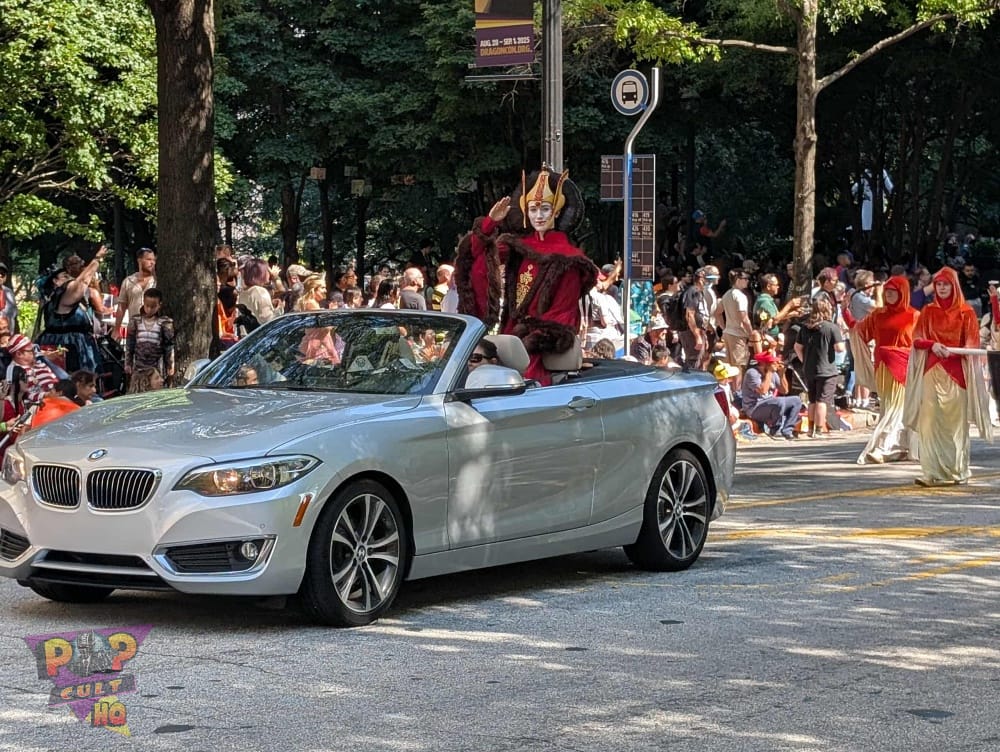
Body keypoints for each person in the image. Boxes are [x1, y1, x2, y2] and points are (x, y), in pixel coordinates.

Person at [455, 167, 598, 385]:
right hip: (508, 341)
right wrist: (490, 223)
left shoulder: (570, 260)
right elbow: (477, 257)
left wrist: (526, 342)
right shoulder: (517, 246)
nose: (538, 216)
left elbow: (561, 314)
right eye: (533, 209)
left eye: (545, 209)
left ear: (556, 212)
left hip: (537, 348)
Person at [903, 267, 992, 486]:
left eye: (946, 284)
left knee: (955, 424)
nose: (942, 288)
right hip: (932, 371)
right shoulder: (928, 311)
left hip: (956, 374)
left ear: (954, 286)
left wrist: (952, 351)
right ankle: (931, 472)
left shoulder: (966, 312)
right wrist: (932, 345)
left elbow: (971, 345)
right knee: (929, 421)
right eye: (939, 284)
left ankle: (958, 470)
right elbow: (917, 339)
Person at [847, 275, 919, 464]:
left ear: (903, 293)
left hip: (903, 368)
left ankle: (883, 447)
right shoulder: (878, 315)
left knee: (895, 408)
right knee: (889, 407)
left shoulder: (914, 316)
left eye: (893, 291)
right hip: (882, 368)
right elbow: (860, 331)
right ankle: (900, 447)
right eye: (887, 291)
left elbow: (922, 342)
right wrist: (846, 313)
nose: (888, 294)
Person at [37, 246, 107, 373]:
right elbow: (82, 282)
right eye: (64, 276)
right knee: (75, 376)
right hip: (69, 345)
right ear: (55, 281)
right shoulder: (63, 296)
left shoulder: (56, 297)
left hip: (68, 342)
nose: (69, 278)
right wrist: (97, 259)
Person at [795, 296, 845, 438]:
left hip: (809, 369)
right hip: (827, 370)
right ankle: (818, 430)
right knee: (822, 401)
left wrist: (804, 360)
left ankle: (810, 429)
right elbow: (840, 348)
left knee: (812, 400)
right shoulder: (831, 328)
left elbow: (797, 347)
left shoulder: (804, 327)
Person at [741, 352, 802, 440]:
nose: (776, 364)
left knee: (796, 400)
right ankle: (775, 428)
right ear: (764, 363)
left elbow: (785, 391)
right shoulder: (752, 373)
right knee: (779, 401)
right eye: (773, 362)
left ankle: (787, 430)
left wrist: (781, 375)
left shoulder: (773, 374)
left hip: (770, 404)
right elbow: (763, 391)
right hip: (754, 408)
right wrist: (769, 372)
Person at [125, 288, 175, 385]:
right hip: (138, 366)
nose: (149, 309)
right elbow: (129, 344)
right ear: (143, 303)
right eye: (147, 306)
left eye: (153, 307)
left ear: (159, 305)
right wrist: (128, 363)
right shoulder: (135, 321)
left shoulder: (165, 323)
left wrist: (170, 365)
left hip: (156, 366)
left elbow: (169, 346)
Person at [718, 268, 753, 386]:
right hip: (738, 335)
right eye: (745, 279)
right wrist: (751, 334)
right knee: (738, 366)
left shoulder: (727, 294)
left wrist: (724, 327)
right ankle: (737, 391)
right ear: (738, 280)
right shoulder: (740, 296)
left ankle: (730, 391)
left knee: (728, 366)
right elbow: (744, 318)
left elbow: (717, 312)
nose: (747, 281)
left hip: (728, 333)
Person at [113, 247, 156, 340]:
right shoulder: (128, 281)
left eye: (154, 260)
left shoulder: (157, 281)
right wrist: (116, 329)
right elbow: (121, 307)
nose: (152, 262)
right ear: (139, 260)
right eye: (149, 259)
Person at [238, 259, 277, 326]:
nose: (269, 273)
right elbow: (268, 320)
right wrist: (280, 308)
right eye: (267, 270)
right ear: (261, 273)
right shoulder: (260, 292)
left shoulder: (243, 292)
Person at [0, 262, 18, 334]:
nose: (0, 275)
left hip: (6, 334)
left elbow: (12, 314)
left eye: (2, 274)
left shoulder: (9, 292)